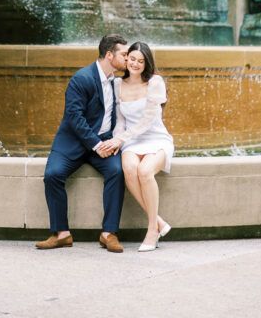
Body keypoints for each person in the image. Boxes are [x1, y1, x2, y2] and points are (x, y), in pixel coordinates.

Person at [37, 34, 128, 252]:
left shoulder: (117, 82)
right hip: (74, 142)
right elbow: (74, 117)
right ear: (109, 55)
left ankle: (109, 233)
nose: (127, 59)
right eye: (124, 54)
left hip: (105, 143)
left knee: (117, 172)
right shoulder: (82, 78)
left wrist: (112, 142)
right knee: (52, 175)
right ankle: (61, 234)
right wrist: (96, 145)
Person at [106, 41, 174, 251]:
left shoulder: (155, 82)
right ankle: (159, 222)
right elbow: (121, 121)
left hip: (156, 137)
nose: (135, 64)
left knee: (145, 171)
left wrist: (120, 139)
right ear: (126, 60)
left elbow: (147, 120)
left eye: (140, 61)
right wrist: (118, 139)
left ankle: (152, 230)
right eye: (132, 59)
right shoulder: (118, 84)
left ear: (147, 63)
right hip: (131, 141)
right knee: (129, 169)